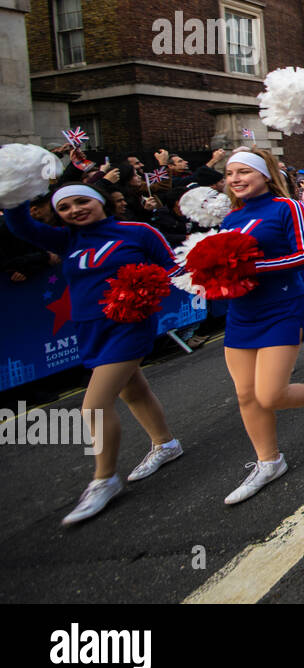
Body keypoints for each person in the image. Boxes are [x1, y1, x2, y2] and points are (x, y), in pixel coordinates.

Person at [4, 183, 184, 524]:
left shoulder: (137, 230)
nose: (75, 210)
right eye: (66, 207)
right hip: (89, 328)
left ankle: (104, 479)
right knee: (134, 390)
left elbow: (174, 267)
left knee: (94, 405)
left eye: (82, 201)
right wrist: (15, 190)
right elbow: (20, 226)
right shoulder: (66, 239)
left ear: (100, 201)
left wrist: (150, 285)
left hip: (129, 325)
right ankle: (165, 444)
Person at [217, 149, 304, 505]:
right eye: (230, 173)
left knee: (270, 394)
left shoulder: (286, 207)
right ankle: (269, 461)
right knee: (246, 394)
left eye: (244, 171)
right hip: (241, 314)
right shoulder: (230, 218)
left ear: (264, 175)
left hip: (282, 307)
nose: (236, 179)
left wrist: (252, 268)